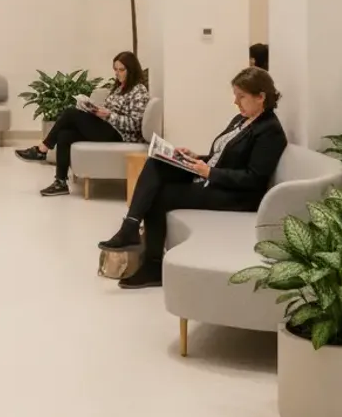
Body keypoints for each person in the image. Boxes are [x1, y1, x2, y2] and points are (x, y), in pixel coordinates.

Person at [98, 67, 287, 290]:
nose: (236, 102)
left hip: (235, 196)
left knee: (160, 195)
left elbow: (254, 178)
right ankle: (130, 226)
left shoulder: (269, 131)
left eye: (241, 96)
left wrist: (209, 172)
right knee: (157, 162)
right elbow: (222, 155)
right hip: (212, 176)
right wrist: (197, 157)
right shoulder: (241, 119)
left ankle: (153, 266)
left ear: (261, 97)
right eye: (235, 95)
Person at [15, 52, 150, 196]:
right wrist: (96, 110)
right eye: (115, 70)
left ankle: (42, 149)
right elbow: (110, 110)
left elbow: (136, 124)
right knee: (64, 135)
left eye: (121, 70)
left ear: (132, 69)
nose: (117, 73)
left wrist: (110, 115)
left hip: (121, 135)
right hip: (108, 127)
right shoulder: (119, 88)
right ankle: (60, 183)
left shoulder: (138, 90)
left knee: (70, 113)